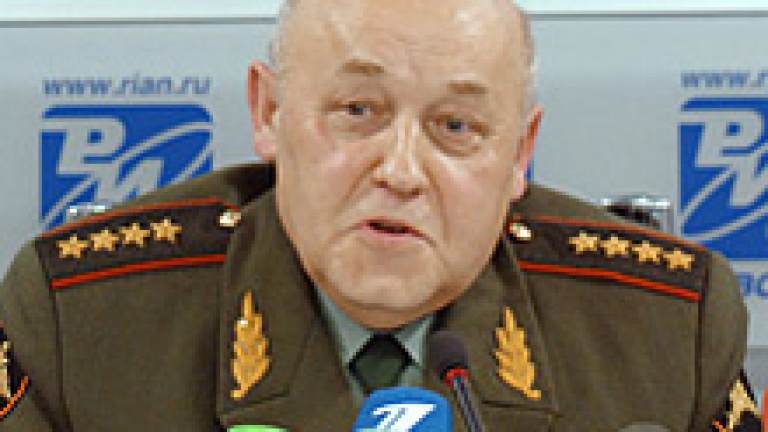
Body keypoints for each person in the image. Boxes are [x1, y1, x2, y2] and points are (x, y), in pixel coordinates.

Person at [0, 0, 762, 430]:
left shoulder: (667, 334)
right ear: (268, 113)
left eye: (456, 126)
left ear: (520, 154)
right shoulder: (82, 327)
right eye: (358, 111)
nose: (400, 171)